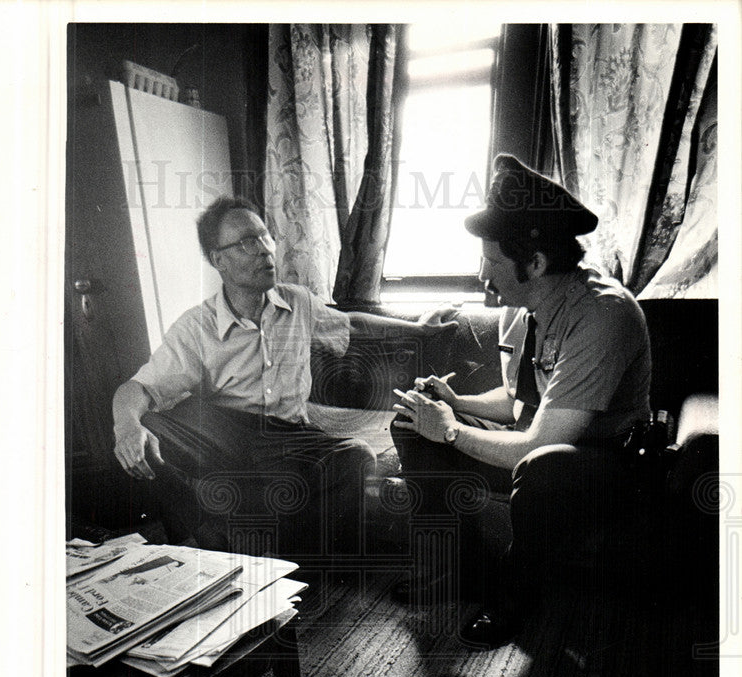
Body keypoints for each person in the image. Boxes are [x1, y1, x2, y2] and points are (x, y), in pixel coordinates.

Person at [391, 154, 652, 647]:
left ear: (535, 262)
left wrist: (449, 428)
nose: (482, 274)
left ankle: (514, 597)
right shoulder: (521, 305)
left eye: (491, 261)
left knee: (544, 465)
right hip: (539, 446)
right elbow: (516, 402)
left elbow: (541, 442)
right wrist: (454, 401)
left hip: (601, 465)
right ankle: (455, 571)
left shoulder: (603, 314)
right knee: (409, 423)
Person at [113, 195, 457, 558]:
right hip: (227, 437)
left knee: (357, 456)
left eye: (265, 237)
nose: (264, 251)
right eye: (248, 242)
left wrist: (418, 329)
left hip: (290, 438)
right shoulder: (196, 327)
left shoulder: (298, 303)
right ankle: (208, 536)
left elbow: (352, 324)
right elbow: (137, 388)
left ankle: (275, 552)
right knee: (151, 427)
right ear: (219, 261)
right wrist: (126, 426)